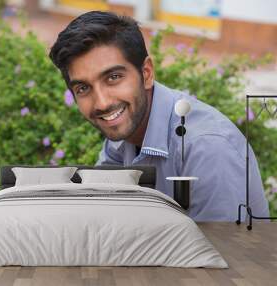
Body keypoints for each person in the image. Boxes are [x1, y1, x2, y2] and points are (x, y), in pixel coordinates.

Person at [49, 11, 269, 221]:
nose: (102, 102)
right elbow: (101, 216)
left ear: (146, 74)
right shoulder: (123, 133)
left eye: (113, 77)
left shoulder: (207, 149)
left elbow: (222, 253)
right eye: (83, 89)